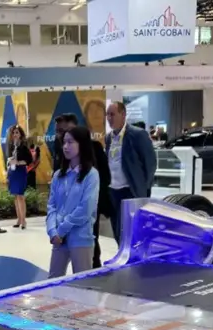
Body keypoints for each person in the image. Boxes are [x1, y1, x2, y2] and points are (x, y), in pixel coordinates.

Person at [53, 113, 111, 267]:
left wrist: (96, 199)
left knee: (89, 247)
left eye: (64, 131)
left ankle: (95, 271)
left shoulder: (95, 150)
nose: (63, 137)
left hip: (87, 207)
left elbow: (105, 176)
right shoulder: (60, 149)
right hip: (64, 215)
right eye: (59, 132)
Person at [46, 125, 99, 279]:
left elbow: (85, 209)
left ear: (81, 144)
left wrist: (61, 230)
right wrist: (52, 231)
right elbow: (51, 206)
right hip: (58, 240)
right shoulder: (58, 175)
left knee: (82, 285)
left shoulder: (91, 175)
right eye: (64, 142)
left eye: (70, 142)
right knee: (53, 280)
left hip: (81, 238)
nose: (65, 146)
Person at [105, 101, 157, 245]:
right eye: (107, 115)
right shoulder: (108, 138)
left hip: (130, 190)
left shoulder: (137, 134)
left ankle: (132, 259)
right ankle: (121, 254)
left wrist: (143, 189)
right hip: (113, 191)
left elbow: (150, 163)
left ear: (123, 115)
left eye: (112, 114)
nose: (109, 118)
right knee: (116, 228)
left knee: (130, 230)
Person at [6, 125, 32, 230]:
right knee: (16, 197)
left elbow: (29, 160)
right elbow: (7, 159)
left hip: (20, 171)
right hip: (12, 172)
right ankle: (19, 219)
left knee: (20, 196)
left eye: (17, 132)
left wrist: (18, 162)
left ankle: (24, 221)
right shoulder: (10, 146)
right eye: (13, 133)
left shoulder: (24, 146)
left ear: (20, 134)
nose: (15, 135)